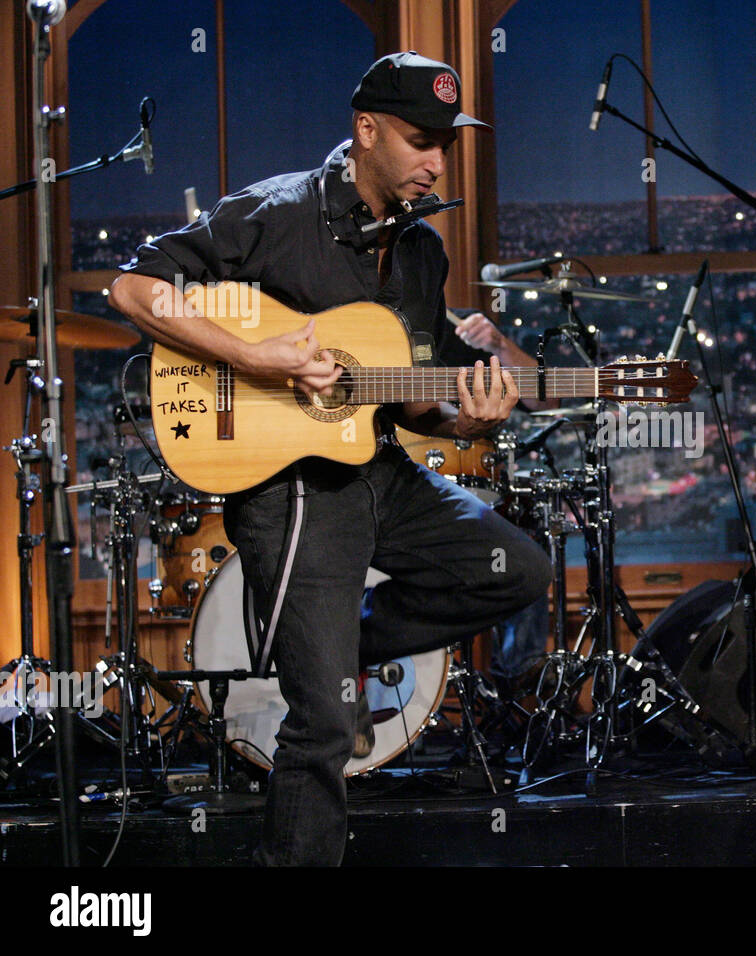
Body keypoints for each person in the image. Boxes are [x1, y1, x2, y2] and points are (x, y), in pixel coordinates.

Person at [108, 52, 552, 865]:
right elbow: (137, 291)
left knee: (514, 570)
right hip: (292, 488)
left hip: (377, 468)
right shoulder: (278, 212)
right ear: (367, 129)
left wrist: (476, 419)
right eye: (422, 140)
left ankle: (346, 641)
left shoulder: (420, 253)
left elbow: (420, 397)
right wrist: (261, 360)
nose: (435, 162)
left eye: (446, 145)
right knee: (321, 725)